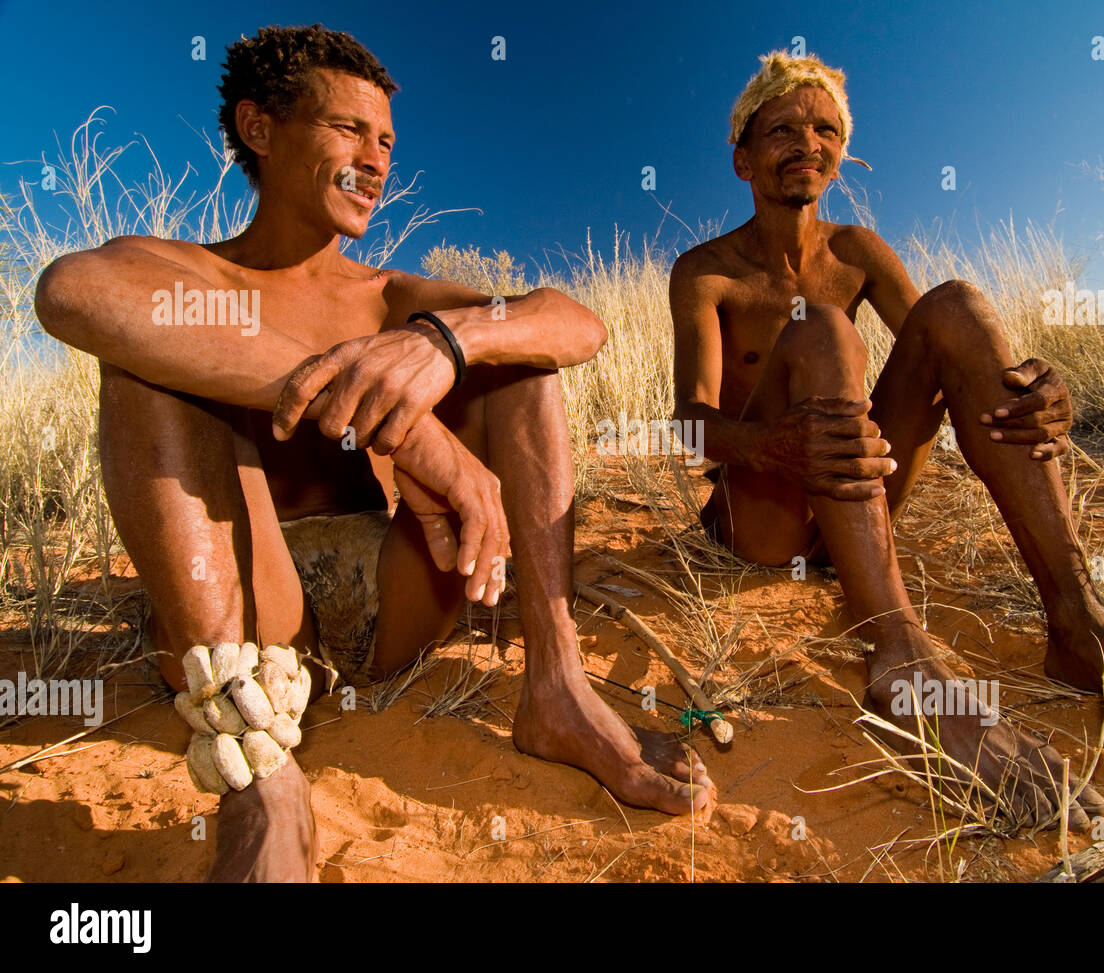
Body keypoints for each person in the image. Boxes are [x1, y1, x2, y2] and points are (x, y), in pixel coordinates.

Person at [35, 24, 714, 882]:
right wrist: (403, 430)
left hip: (393, 592)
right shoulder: (190, 271)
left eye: (386, 140)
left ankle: (559, 689)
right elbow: (70, 291)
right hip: (250, 613)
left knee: (519, 361)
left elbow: (578, 324)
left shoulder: (385, 294)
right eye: (348, 130)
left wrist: (445, 340)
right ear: (259, 126)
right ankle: (262, 784)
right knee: (148, 360)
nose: (376, 158)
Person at [668, 51, 1104, 830]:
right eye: (782, 129)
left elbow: (950, 353)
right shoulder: (705, 271)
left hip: (852, 499)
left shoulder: (858, 251)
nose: (808, 141)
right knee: (821, 328)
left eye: (826, 129)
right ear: (742, 156)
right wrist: (773, 444)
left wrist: (1031, 387)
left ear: (842, 152)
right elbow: (688, 425)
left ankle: (1081, 624)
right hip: (765, 518)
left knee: (960, 305)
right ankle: (897, 650)